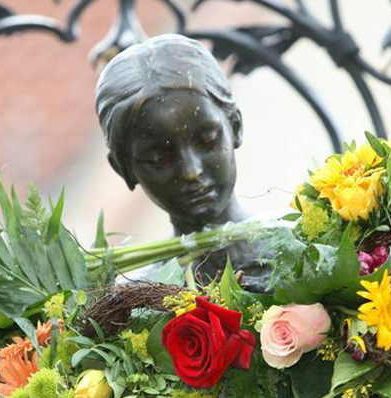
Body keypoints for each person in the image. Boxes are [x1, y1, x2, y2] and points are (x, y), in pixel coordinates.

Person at [94, 34, 269, 291]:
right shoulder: (132, 299)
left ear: (235, 126)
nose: (191, 172)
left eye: (207, 141)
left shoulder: (309, 255)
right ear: (124, 170)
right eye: (159, 159)